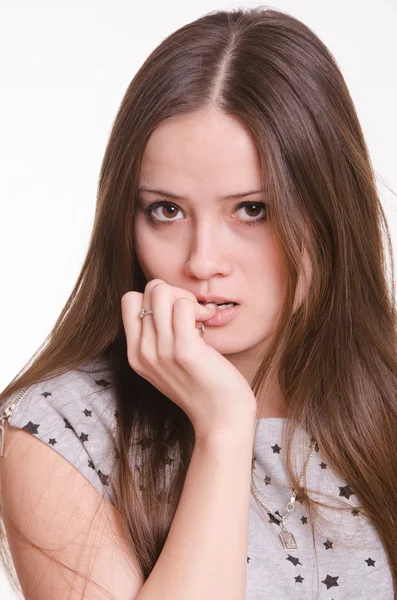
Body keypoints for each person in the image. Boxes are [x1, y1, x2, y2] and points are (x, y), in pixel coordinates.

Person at [0, 6, 396, 599]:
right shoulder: (59, 432)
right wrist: (224, 430)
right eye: (166, 210)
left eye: (252, 210)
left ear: (328, 210)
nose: (202, 260)